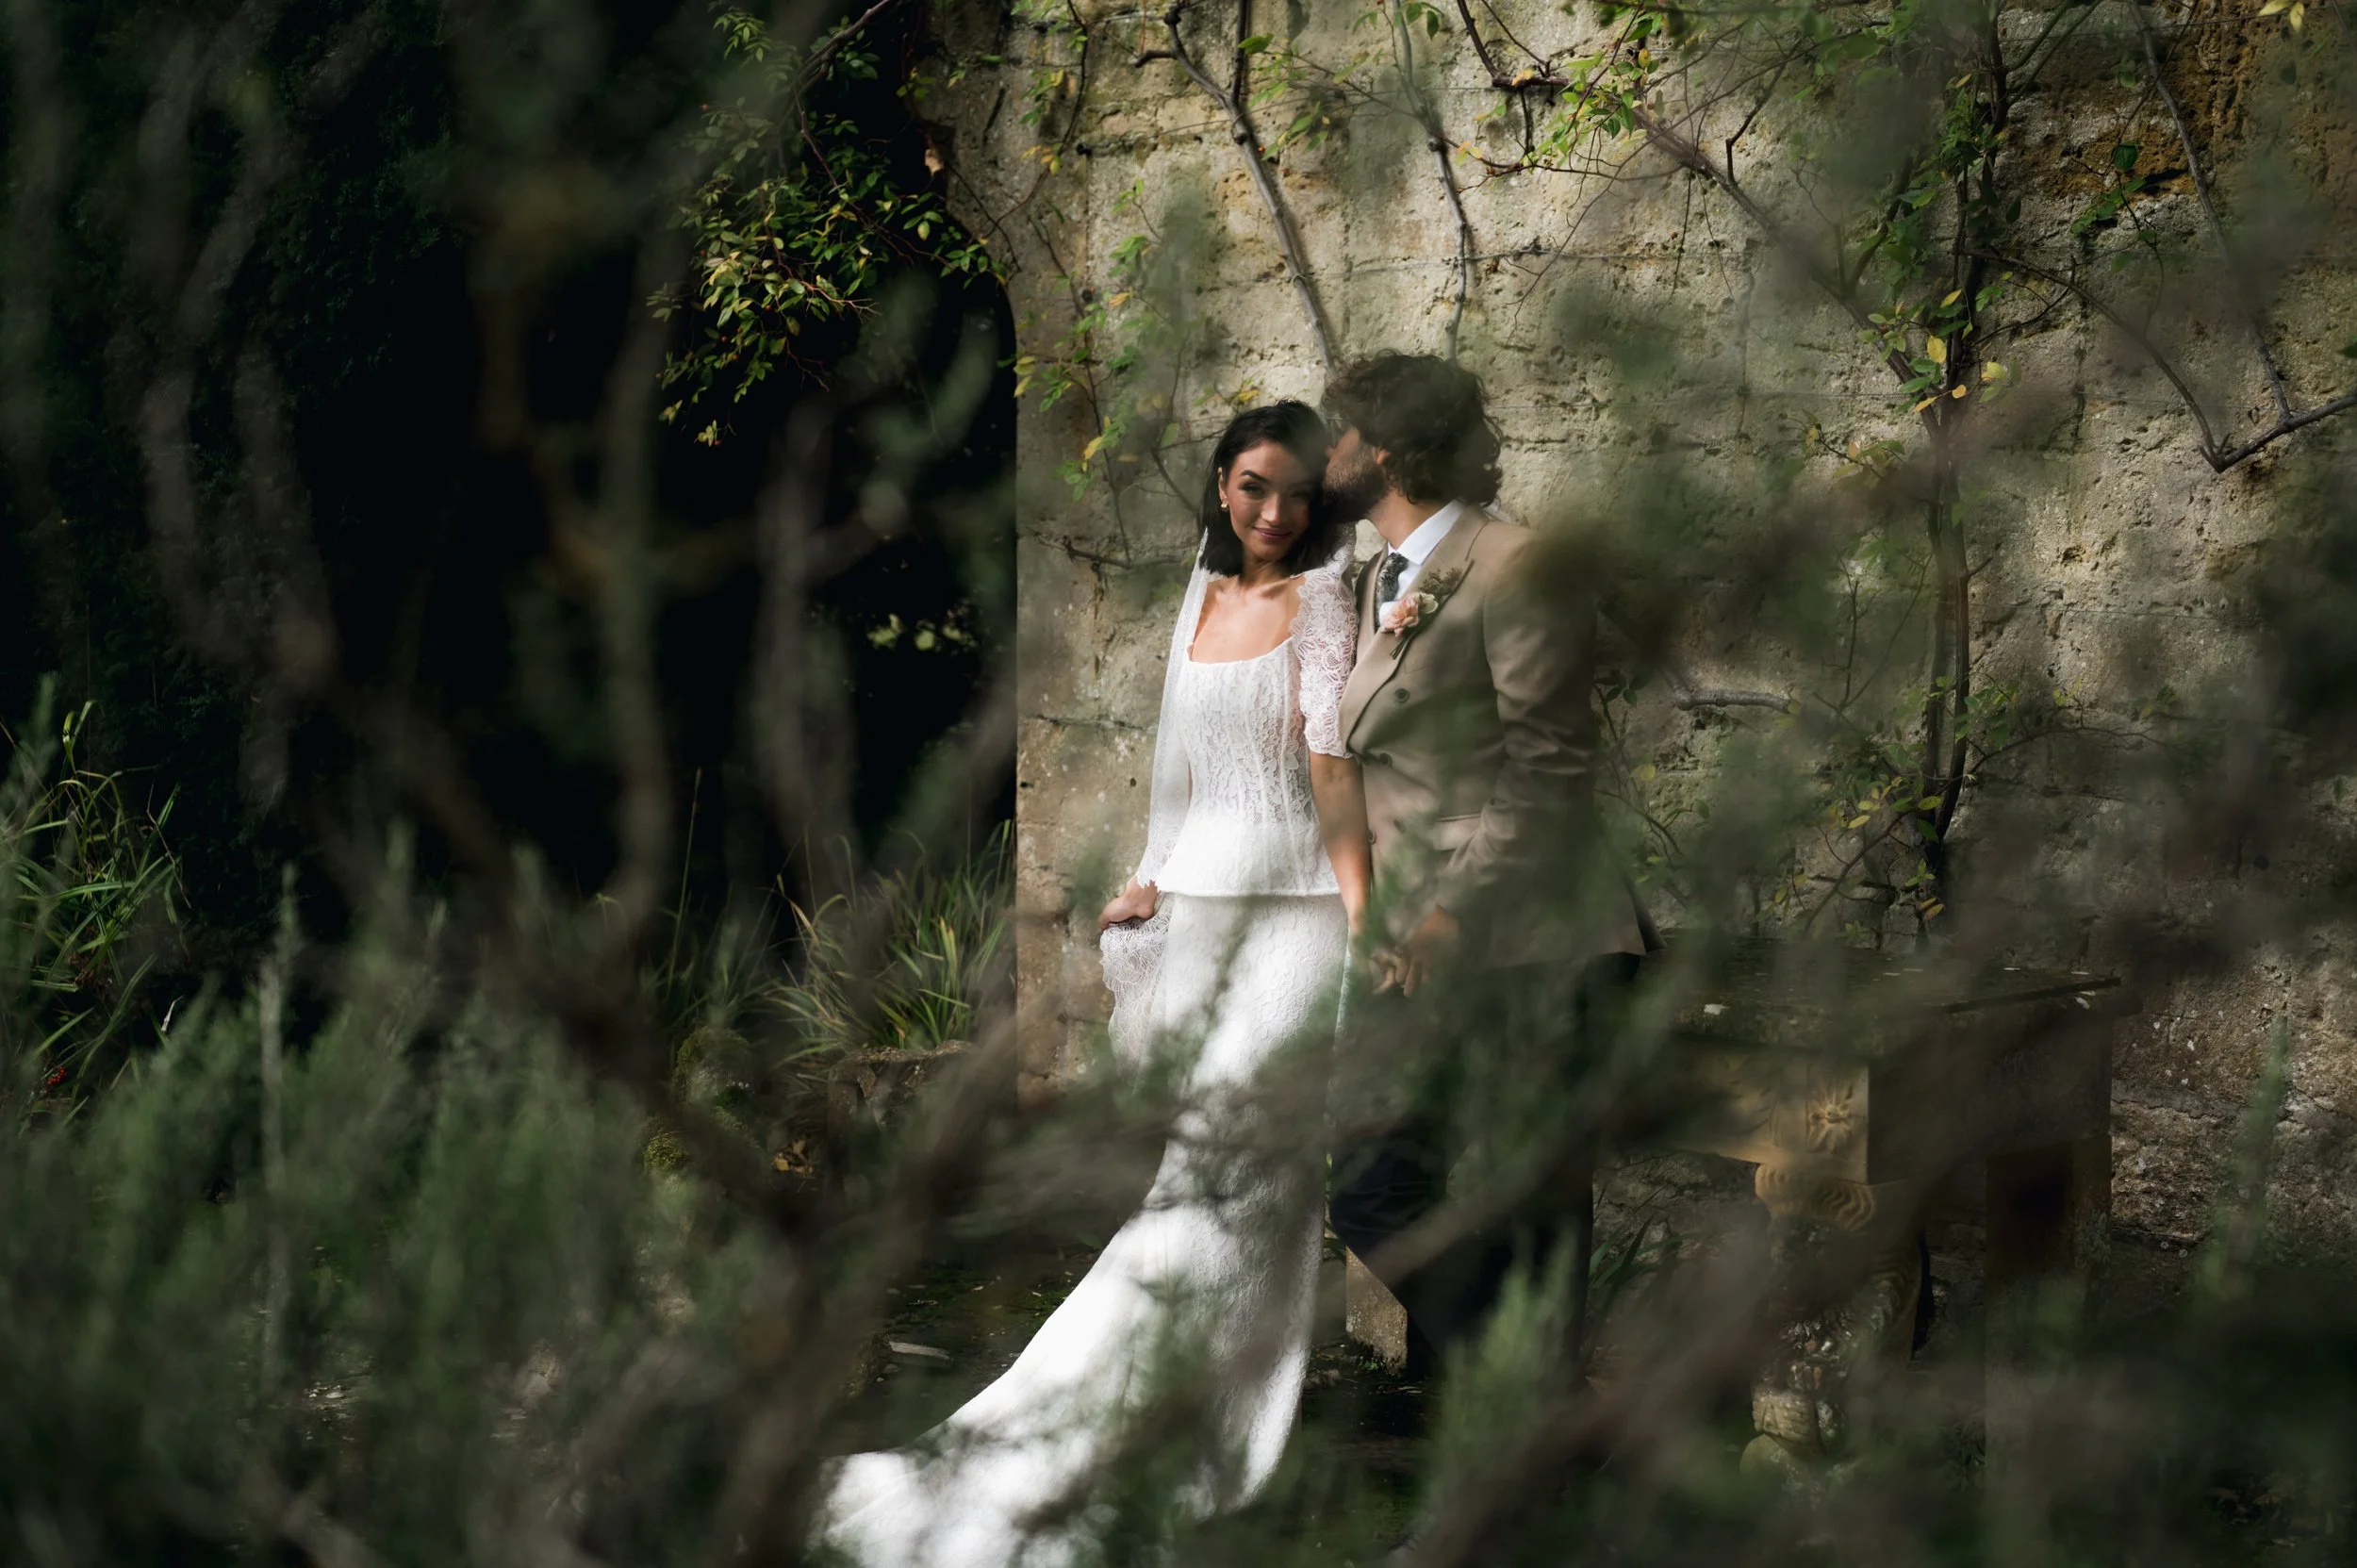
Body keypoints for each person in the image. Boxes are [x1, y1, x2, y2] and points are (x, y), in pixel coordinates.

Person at [816, 401, 1370, 1567]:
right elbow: (1177, 764)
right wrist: (1148, 880)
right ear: (1221, 485)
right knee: (1198, 1177)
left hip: (1300, 923)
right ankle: (1125, 1406)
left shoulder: (1324, 598)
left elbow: (1331, 770)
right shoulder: (1201, 595)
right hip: (1211, 910)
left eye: (1297, 494)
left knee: (1256, 1180)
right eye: (1254, 486)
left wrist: (1367, 917)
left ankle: (1204, 1413)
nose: (1275, 513)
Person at [1320, 352, 1654, 1379]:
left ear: (1380, 450)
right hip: (1420, 941)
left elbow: (1549, 774)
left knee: (1529, 1201)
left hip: (1527, 943)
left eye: (1338, 434)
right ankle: (1519, 1407)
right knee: (1372, 1183)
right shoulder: (1388, 573)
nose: (1324, 452)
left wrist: (1446, 917)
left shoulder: (1514, 565)